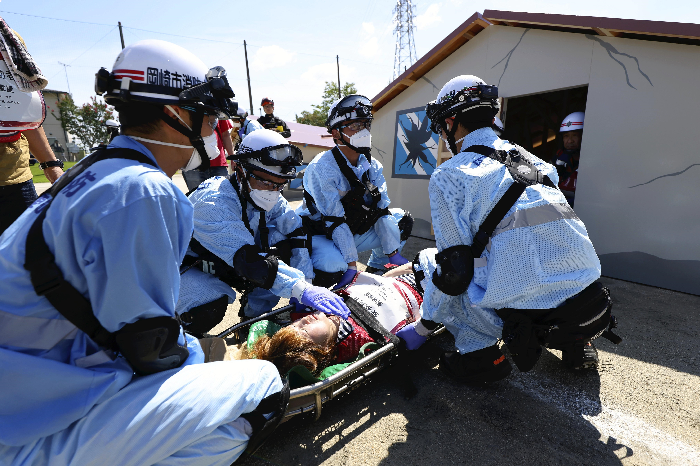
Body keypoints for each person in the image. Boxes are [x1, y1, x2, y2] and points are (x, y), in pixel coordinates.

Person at [0, 39, 287, 466]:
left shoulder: (92, 172)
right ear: (174, 114)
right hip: (25, 435)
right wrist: (210, 361)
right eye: (208, 119)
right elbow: (149, 348)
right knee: (263, 385)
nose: (212, 135)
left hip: (24, 388)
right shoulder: (145, 190)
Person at [396, 75, 616, 384]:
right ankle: (577, 341)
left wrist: (423, 327)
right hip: (590, 300)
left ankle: (480, 358)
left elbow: (454, 273)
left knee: (434, 262)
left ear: (451, 121)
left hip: (532, 316)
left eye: (442, 126)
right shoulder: (536, 162)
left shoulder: (449, 175)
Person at [177, 128, 350, 331]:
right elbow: (250, 261)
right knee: (207, 306)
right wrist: (300, 289)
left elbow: (297, 233)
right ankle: (178, 329)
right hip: (190, 266)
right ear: (240, 169)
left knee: (282, 249)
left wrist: (308, 280)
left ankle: (251, 319)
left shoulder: (269, 196)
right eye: (266, 181)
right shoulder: (213, 203)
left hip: (237, 261)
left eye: (279, 185)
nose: (272, 191)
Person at [244, 254, 430, 376]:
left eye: (297, 323)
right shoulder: (359, 345)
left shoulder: (315, 311)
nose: (304, 320)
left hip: (391, 279)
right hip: (424, 291)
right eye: (305, 331)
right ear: (323, 350)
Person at [299, 94, 413, 288]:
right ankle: (317, 289)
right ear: (335, 133)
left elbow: (382, 211)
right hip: (320, 233)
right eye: (355, 125)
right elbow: (334, 221)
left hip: (348, 229)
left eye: (366, 124)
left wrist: (394, 254)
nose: (364, 131)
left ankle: (378, 268)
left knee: (401, 220)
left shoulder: (372, 165)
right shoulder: (322, 168)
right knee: (335, 265)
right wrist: (352, 266)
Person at [0, 26, 64, 235]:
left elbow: (24, 110)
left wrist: (51, 165)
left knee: (25, 258)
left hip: (15, 178)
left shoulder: (8, 38)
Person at [181, 93, 237, 192]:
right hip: (193, 164)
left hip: (218, 164)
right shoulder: (187, 107)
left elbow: (225, 135)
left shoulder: (216, 106)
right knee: (197, 199)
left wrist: (232, 157)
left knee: (222, 198)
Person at [552, 111, 584, 207]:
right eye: (566, 136)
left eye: (575, 135)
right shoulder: (558, 158)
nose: (570, 141)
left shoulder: (594, 161)